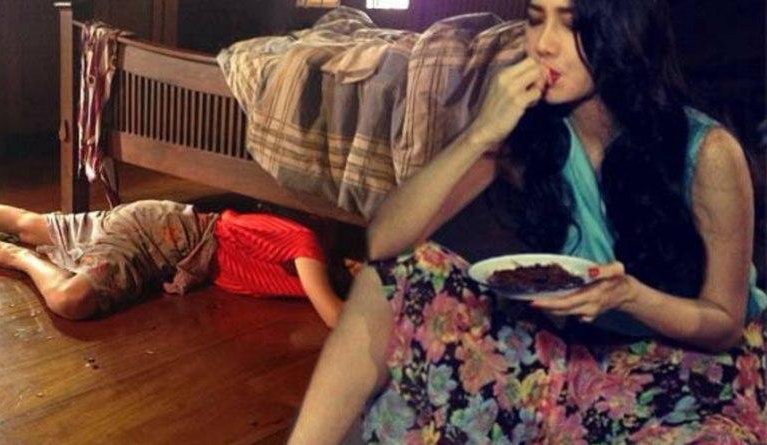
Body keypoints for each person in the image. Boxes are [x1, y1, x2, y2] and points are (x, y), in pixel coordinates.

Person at [289, 0, 767, 442]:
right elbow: (383, 242)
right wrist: (480, 133)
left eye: (571, 24)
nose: (543, 43)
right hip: (571, 352)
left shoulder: (708, 151)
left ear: (624, 31)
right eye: (537, 19)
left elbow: (724, 324)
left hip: (687, 369)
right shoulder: (534, 127)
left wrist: (631, 297)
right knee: (395, 279)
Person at [0, 200, 343, 328]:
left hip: (155, 218)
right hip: (160, 236)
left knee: (28, 224)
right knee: (70, 299)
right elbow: (334, 315)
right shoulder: (302, 241)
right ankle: (18, 257)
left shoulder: (296, 253)